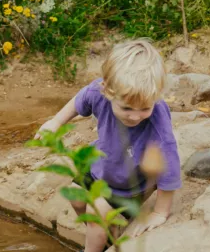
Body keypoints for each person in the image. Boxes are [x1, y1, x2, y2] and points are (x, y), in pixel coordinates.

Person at [38, 39, 181, 252]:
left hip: (129, 178)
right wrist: (56, 122)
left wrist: (160, 212)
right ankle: (109, 237)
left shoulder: (158, 118)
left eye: (144, 108)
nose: (135, 116)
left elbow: (169, 163)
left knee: (98, 210)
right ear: (107, 90)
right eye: (126, 108)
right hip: (103, 166)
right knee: (76, 198)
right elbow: (79, 100)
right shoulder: (98, 92)